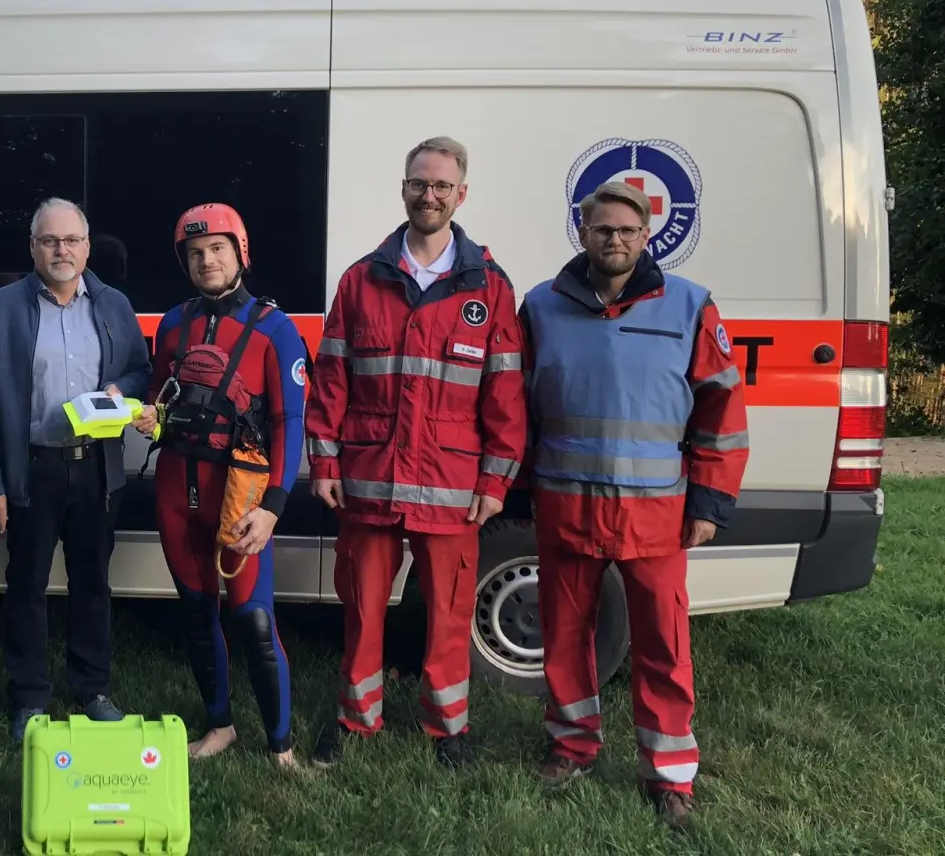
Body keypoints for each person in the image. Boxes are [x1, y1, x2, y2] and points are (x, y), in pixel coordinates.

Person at [520, 181, 749, 829]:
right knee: (565, 638)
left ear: (646, 236)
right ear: (582, 233)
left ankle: (669, 774)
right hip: (566, 508)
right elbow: (516, 410)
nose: (613, 239)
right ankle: (571, 747)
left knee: (664, 645)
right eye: (601, 229)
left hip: (657, 517)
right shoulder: (541, 307)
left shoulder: (689, 306)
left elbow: (722, 413)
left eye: (626, 230)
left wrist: (709, 500)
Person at [304, 136, 527, 770]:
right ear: (403, 189)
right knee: (363, 611)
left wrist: (495, 481)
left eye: (441, 186)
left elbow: (504, 392)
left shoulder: (489, 285)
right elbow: (332, 381)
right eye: (417, 184)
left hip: (454, 485)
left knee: (450, 617)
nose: (428, 196)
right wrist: (324, 462)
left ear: (461, 194)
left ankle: (447, 728)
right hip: (370, 479)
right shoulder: (362, 279)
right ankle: (356, 719)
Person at [0, 197, 153, 742]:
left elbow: (141, 368)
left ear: (87, 247)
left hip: (96, 470)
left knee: (93, 582)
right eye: (49, 241)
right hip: (33, 469)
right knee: (26, 585)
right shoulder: (0, 307)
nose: (61, 250)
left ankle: (92, 689)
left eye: (71, 240)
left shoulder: (114, 304)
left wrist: (125, 390)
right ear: (33, 248)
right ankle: (29, 698)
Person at [129, 204, 309, 769]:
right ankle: (220, 725)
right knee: (197, 613)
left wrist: (273, 508)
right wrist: (148, 418)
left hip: (239, 494)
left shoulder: (277, 330)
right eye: (195, 252)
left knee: (253, 620)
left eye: (217, 250)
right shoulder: (174, 324)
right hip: (176, 486)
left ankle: (280, 745)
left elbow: (291, 423)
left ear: (241, 253)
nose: (207, 260)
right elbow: (161, 396)